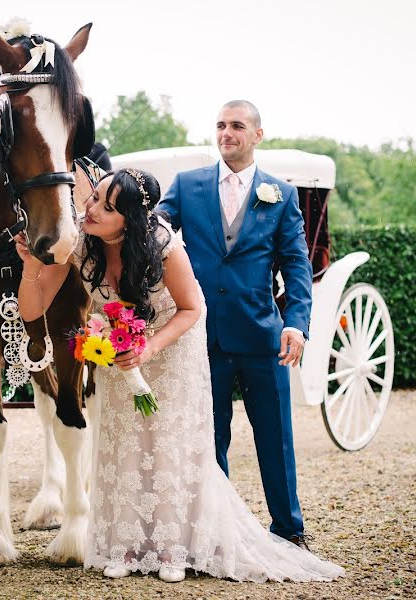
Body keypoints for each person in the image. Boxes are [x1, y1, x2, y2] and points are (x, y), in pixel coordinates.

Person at [15, 168, 343, 583]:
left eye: (106, 207)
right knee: (123, 442)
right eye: (94, 197)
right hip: (119, 354)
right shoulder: (81, 243)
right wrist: (31, 267)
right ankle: (127, 544)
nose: (91, 209)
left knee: (170, 442)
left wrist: (148, 347)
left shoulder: (161, 244)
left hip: (171, 348)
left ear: (129, 219)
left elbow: (193, 308)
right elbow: (31, 309)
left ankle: (174, 548)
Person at [158, 100, 313, 549]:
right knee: (210, 436)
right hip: (201, 335)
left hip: (263, 336)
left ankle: (289, 529)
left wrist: (296, 323)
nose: (227, 133)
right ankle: (217, 532)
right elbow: (155, 235)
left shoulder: (280, 194)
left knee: (276, 438)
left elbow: (297, 265)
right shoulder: (188, 186)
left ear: (257, 135)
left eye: (237, 126)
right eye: (221, 125)